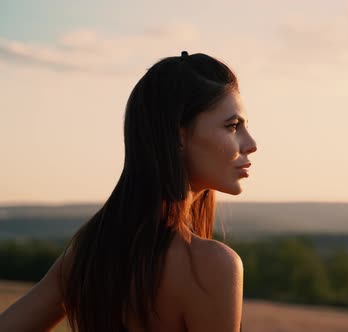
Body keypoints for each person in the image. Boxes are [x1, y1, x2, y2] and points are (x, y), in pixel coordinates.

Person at [0, 51, 257, 332]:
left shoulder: (89, 250)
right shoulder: (214, 265)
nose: (251, 144)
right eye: (232, 126)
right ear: (178, 135)